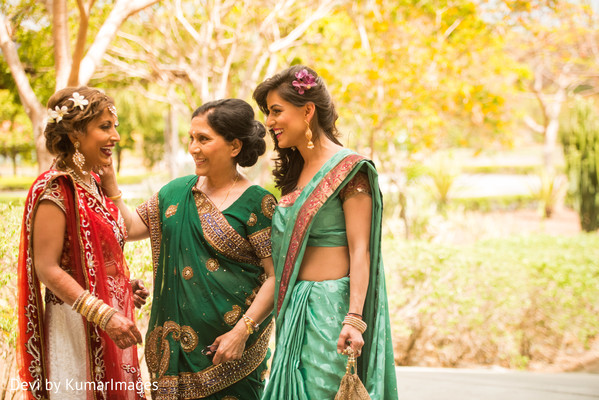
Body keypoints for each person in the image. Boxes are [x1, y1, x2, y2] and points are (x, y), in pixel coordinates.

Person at [100, 98, 277, 400]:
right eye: (191, 138)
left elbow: (277, 277)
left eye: (203, 139)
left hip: (230, 350)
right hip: (172, 352)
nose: (193, 147)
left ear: (234, 146)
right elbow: (129, 228)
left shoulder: (258, 203)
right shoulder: (175, 192)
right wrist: (112, 186)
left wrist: (241, 333)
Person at [253, 65, 398, 399]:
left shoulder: (350, 169)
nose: (270, 123)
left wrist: (354, 319)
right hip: (294, 310)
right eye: (267, 114)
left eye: (277, 111)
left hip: (331, 312)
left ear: (307, 111)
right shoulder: (296, 172)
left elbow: (361, 250)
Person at [17, 86, 148, 400]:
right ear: (75, 133)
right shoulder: (55, 189)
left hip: (108, 320)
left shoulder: (94, 183)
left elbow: (108, 243)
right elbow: (47, 268)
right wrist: (104, 313)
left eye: (114, 126)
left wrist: (120, 286)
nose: (116, 136)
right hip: (75, 325)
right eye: (105, 127)